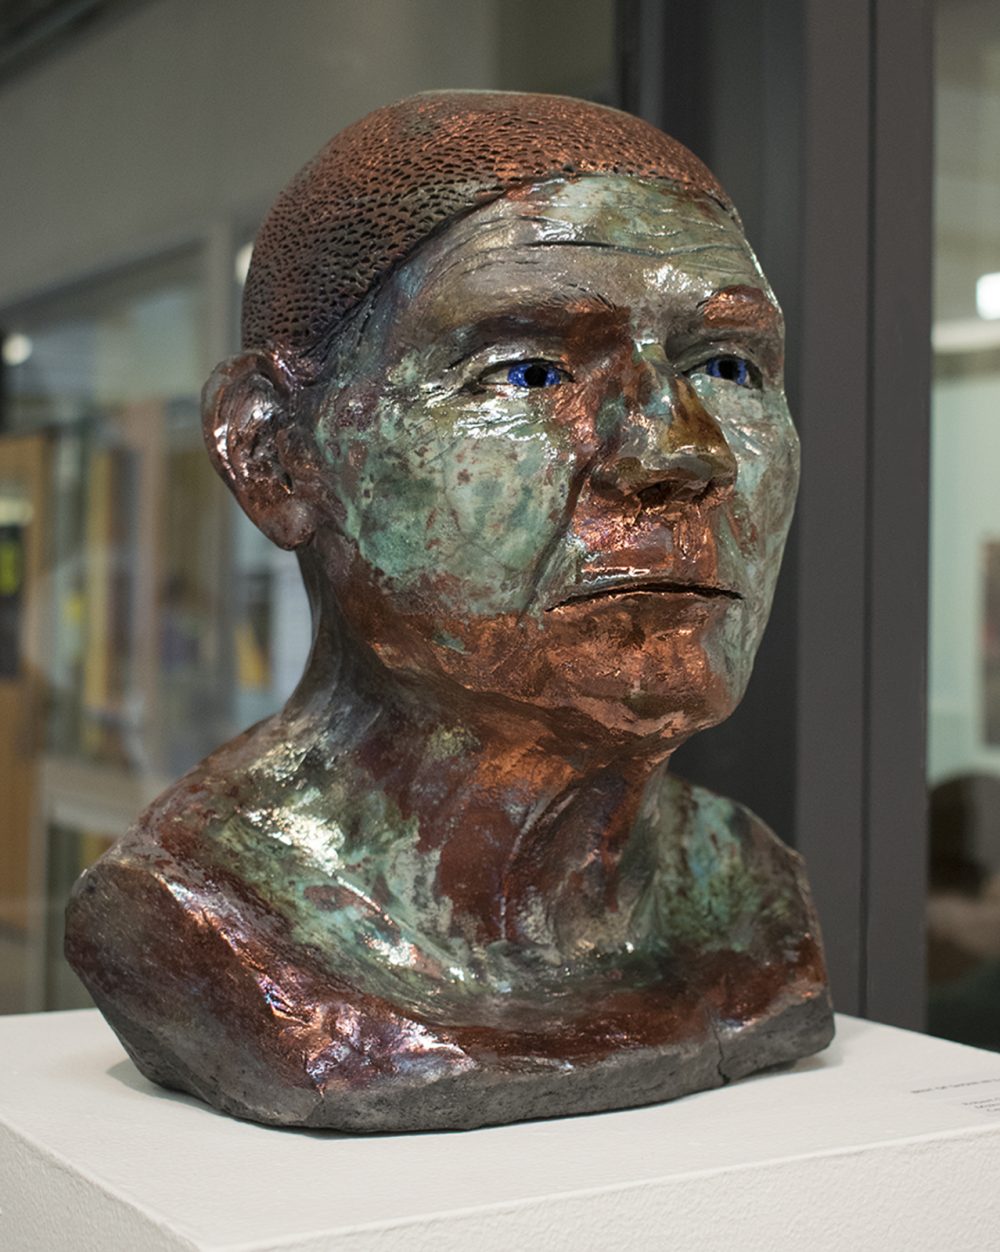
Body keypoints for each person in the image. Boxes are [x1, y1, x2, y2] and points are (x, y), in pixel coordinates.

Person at [66, 92, 833, 1131]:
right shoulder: (215, 921)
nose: (679, 449)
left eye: (729, 366)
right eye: (528, 368)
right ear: (278, 455)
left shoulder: (749, 907)